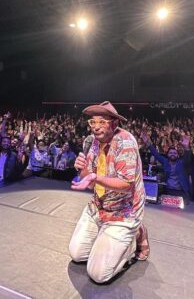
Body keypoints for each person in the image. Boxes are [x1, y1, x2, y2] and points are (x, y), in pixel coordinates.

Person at [68, 101, 147, 284]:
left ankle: (134, 239)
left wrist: (95, 177)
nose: (96, 127)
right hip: (98, 207)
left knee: (99, 275)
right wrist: (82, 171)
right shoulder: (91, 142)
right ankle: (106, 239)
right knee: (77, 255)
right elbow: (89, 183)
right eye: (92, 122)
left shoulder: (125, 142)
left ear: (114, 123)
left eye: (102, 122)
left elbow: (126, 184)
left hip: (123, 212)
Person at [141, 131, 191, 201]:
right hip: (168, 190)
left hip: (182, 192)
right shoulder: (165, 161)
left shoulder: (181, 162)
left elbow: (187, 157)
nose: (172, 154)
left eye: (174, 153)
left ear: (178, 155)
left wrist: (186, 147)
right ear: (167, 155)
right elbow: (156, 154)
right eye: (170, 153)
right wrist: (148, 143)